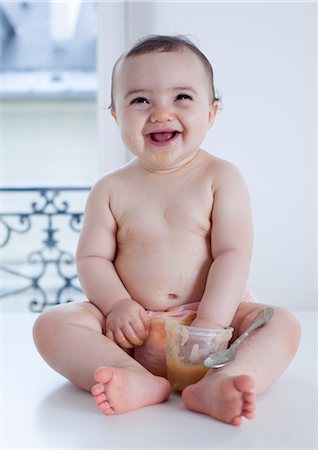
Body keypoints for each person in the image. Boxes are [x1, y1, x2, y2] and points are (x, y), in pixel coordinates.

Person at [33, 34, 301, 426]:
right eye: (140, 100)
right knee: (51, 325)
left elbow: (233, 254)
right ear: (115, 117)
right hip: (132, 331)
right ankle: (135, 379)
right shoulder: (110, 188)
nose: (160, 113)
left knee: (281, 324)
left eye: (182, 98)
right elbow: (92, 257)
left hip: (212, 328)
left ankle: (222, 381)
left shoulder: (220, 177)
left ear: (211, 112)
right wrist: (117, 306)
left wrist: (211, 323)